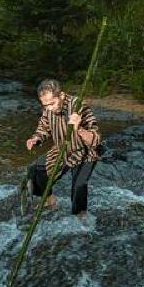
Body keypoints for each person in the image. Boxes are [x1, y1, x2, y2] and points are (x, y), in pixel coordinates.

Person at [25, 79, 102, 217]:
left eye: (52, 103)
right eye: (45, 105)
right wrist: (36, 138)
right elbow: (43, 128)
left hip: (85, 151)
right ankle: (50, 200)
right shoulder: (48, 109)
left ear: (61, 95)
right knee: (36, 169)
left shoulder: (79, 106)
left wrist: (79, 129)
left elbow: (96, 138)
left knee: (79, 186)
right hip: (63, 149)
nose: (49, 108)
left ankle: (80, 215)